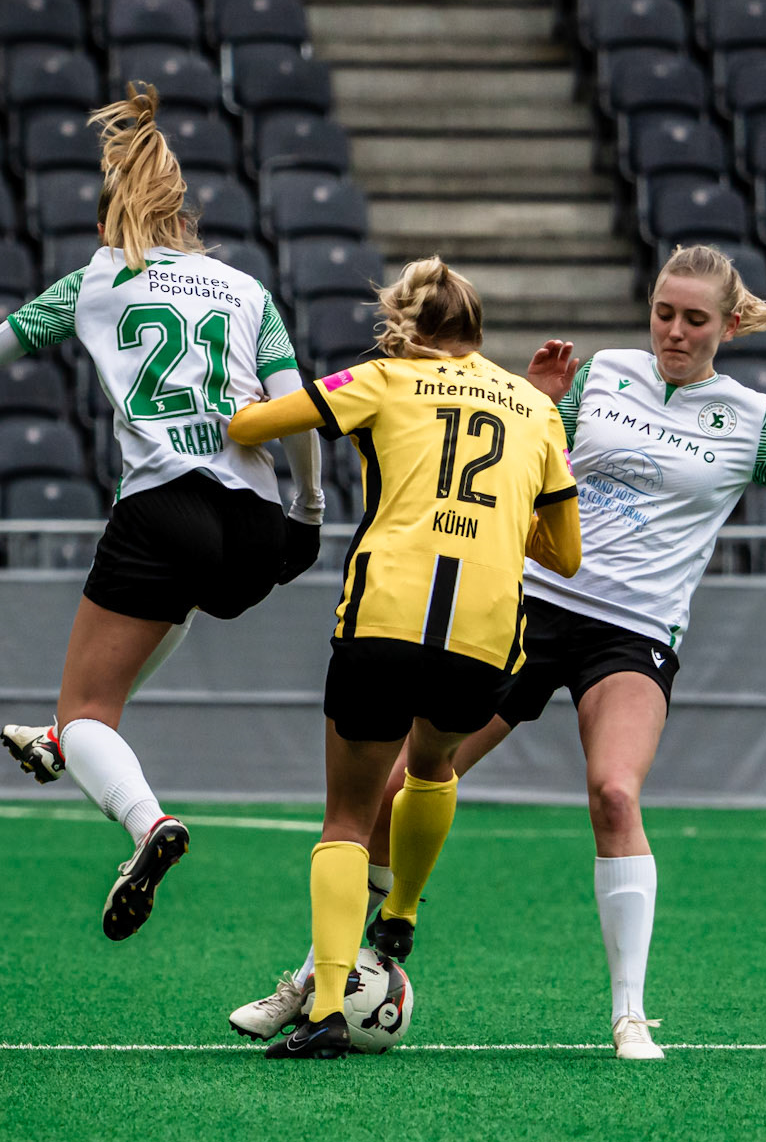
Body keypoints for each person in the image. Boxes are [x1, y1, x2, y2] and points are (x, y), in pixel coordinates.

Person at [233, 243, 766, 1059]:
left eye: (693, 320)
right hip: (531, 607)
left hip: (634, 632)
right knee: (399, 788)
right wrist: (538, 401)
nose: (673, 332)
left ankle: (629, 1015)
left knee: (613, 792)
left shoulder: (754, 420)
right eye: (662, 313)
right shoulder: (603, 374)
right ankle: (319, 975)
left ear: (730, 324)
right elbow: (530, 462)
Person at [0, 83, 324, 937]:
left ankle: (148, 823)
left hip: (163, 507)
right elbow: (297, 412)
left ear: (113, 218)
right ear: (184, 215)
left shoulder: (95, 280)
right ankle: (58, 737)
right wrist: (310, 513)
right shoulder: (248, 290)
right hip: (256, 528)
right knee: (134, 652)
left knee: (88, 711)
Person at [225, 255, 582, 1060]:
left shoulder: (382, 378)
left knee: (345, 822)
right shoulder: (535, 406)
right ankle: (404, 912)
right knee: (432, 769)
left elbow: (249, 428)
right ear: (478, 332)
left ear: (406, 326)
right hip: (484, 635)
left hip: (385, 614)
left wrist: (244, 407)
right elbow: (565, 556)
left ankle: (322, 1008)